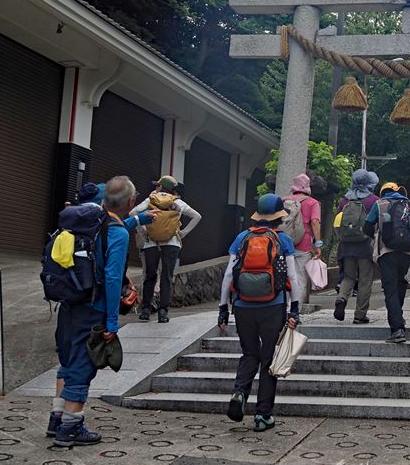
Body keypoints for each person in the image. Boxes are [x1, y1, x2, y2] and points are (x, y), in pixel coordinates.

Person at [49, 176, 151, 446]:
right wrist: (112, 323)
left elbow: (112, 233)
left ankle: (56, 418)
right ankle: (71, 427)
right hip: (94, 309)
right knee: (83, 366)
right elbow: (112, 279)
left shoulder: (86, 224)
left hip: (70, 304)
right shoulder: (116, 233)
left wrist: (137, 220)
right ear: (131, 201)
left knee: (69, 361)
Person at [218, 194, 300, 432]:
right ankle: (263, 415)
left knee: (249, 354)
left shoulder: (242, 237)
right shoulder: (283, 240)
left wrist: (223, 309)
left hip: (243, 306)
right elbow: (293, 277)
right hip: (273, 306)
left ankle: (239, 393)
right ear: (279, 217)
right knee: (269, 360)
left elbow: (229, 274)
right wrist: (294, 309)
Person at [131, 175, 202, 323]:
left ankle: (145, 310)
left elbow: (133, 213)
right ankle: (163, 312)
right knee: (166, 277)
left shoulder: (151, 200)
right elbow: (197, 216)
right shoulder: (178, 202)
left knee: (150, 276)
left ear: (160, 187)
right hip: (172, 242)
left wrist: (142, 230)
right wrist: (183, 233)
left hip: (151, 242)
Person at [363, 182, 410, 343]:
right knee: (400, 283)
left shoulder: (379, 204)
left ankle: (397, 329)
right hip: (407, 252)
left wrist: (378, 235)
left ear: (383, 192)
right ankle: (398, 316)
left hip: (386, 251)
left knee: (390, 289)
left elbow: (367, 227)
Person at [334, 169, 380, 324]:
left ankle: (341, 298)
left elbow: (337, 222)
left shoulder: (344, 200)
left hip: (346, 246)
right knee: (365, 280)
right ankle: (360, 315)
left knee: (348, 277)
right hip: (366, 246)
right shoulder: (373, 200)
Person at [283, 173, 323, 307]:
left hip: (284, 243)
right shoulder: (313, 203)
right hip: (303, 244)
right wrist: (318, 245)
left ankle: (284, 307)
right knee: (300, 278)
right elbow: (315, 223)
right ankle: (294, 310)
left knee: (285, 276)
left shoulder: (283, 201)